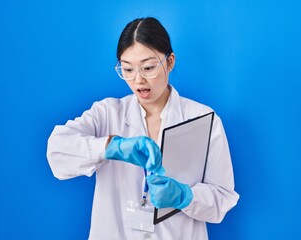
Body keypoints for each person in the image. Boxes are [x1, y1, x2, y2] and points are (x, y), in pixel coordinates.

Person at [47, 17, 239, 240]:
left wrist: (184, 196)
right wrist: (110, 147)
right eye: (127, 69)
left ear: (170, 62)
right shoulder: (107, 113)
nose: (138, 80)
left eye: (148, 68)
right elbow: (56, 151)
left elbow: (222, 199)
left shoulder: (204, 119)